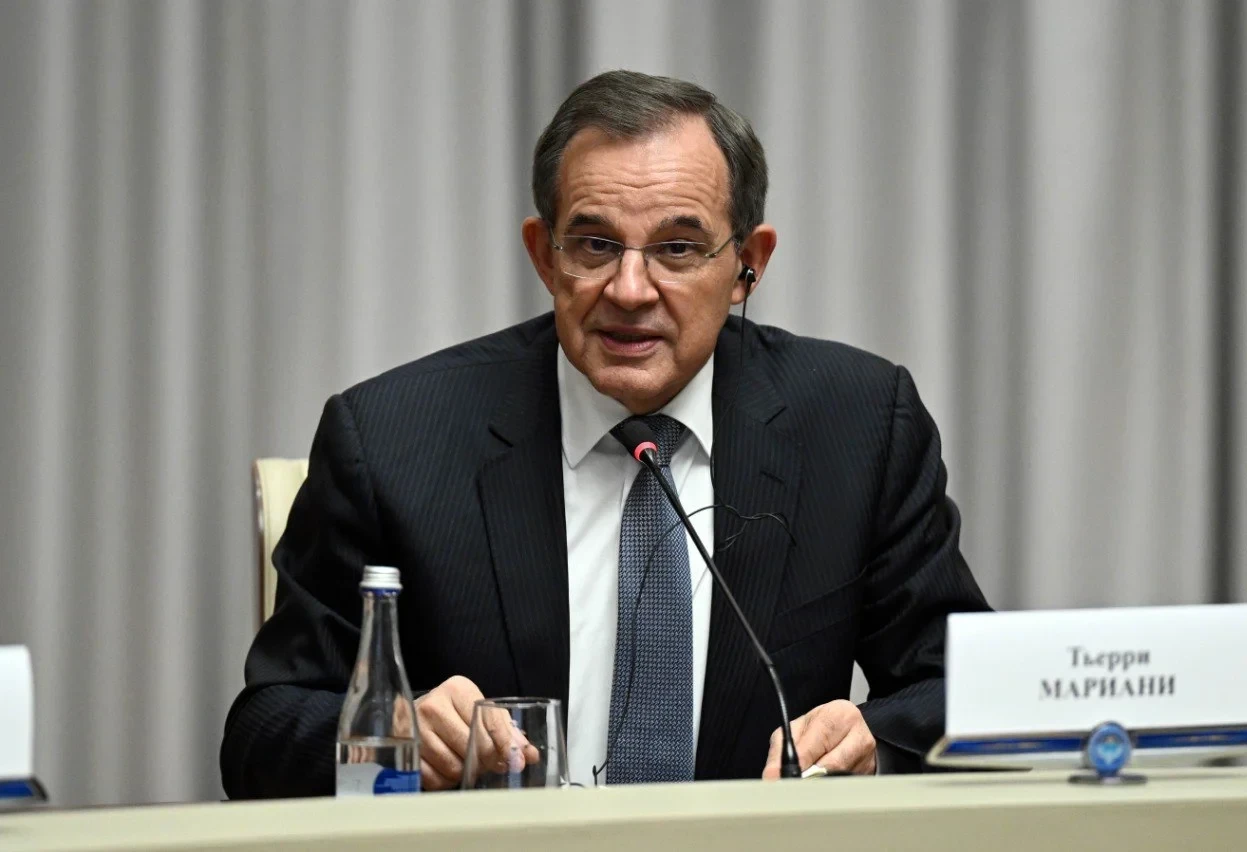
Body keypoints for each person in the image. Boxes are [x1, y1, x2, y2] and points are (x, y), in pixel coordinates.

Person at [221, 69, 989, 798]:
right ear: (544, 256)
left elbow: (966, 692)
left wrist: (874, 739)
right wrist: (391, 737)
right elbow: (261, 734)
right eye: (594, 245)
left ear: (747, 265)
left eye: (677, 248)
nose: (629, 290)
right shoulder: (393, 440)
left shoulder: (857, 428)